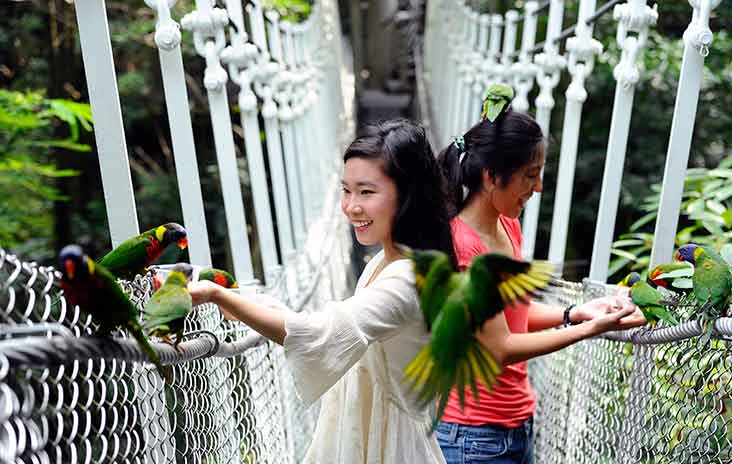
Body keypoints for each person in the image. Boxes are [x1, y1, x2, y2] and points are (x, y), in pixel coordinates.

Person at [188, 119, 455, 463]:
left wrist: (218, 296)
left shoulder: (407, 279)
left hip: (392, 449)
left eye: (366, 192)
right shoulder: (383, 263)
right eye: (346, 190)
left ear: (407, 195)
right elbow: (326, 324)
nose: (351, 206)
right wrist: (239, 300)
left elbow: (323, 333)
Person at [434, 85, 647, 464]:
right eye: (530, 175)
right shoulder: (464, 247)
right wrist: (587, 331)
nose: (538, 187)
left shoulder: (507, 227)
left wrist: (575, 313)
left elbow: (512, 317)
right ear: (491, 176)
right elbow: (499, 347)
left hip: (515, 426)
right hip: (473, 439)